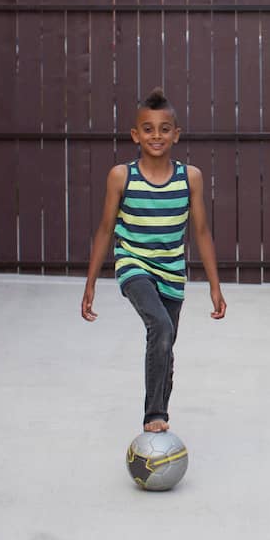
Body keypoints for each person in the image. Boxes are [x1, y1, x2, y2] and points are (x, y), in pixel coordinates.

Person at [82, 88, 226, 433]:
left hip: (172, 273)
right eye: (148, 129)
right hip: (134, 266)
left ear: (176, 134)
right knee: (159, 327)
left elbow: (202, 232)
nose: (156, 135)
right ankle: (154, 416)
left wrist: (215, 287)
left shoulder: (190, 177)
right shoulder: (122, 176)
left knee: (166, 347)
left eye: (164, 129)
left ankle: (161, 413)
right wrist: (89, 285)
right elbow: (104, 230)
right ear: (136, 134)